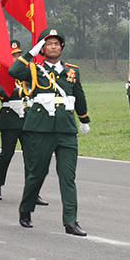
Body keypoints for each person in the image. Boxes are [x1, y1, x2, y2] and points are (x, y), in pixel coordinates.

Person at [9, 28, 91, 236]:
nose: (53, 46)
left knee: (67, 176)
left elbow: (78, 96)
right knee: (37, 173)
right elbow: (13, 72)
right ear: (42, 48)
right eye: (48, 43)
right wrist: (30, 53)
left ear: (61, 47)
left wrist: (84, 119)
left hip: (66, 130)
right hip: (41, 129)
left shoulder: (72, 71)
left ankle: (71, 221)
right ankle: (26, 209)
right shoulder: (34, 69)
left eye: (56, 43)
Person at [0, 40, 47, 206]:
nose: (16, 58)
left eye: (18, 55)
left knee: (31, 157)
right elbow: (4, 93)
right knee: (6, 155)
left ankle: (32, 192)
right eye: (13, 55)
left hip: (27, 118)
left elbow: (36, 87)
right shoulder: (0, 75)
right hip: (10, 119)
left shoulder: (25, 73)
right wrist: (25, 91)